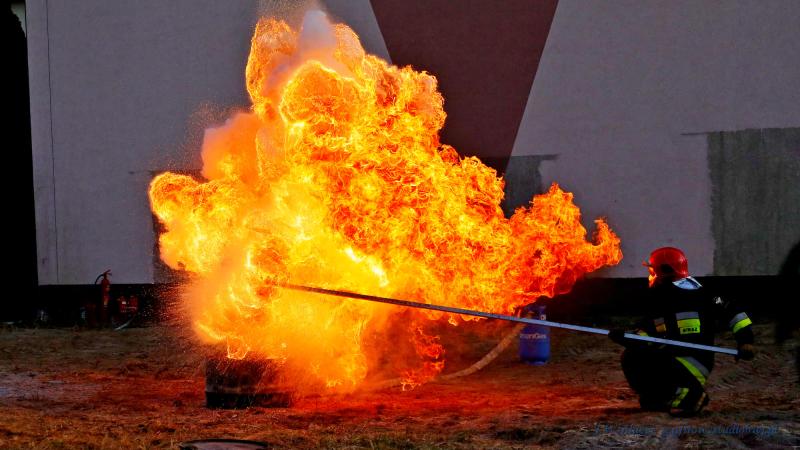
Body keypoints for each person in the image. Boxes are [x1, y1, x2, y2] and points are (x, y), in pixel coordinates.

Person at [609, 247, 755, 416]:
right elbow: (648, 333)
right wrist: (627, 337)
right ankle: (661, 398)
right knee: (633, 355)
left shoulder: (699, 294)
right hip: (679, 360)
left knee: (634, 358)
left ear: (665, 271)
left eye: (653, 271)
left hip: (690, 362)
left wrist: (746, 342)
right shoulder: (668, 297)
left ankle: (692, 396)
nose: (651, 275)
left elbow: (734, 312)